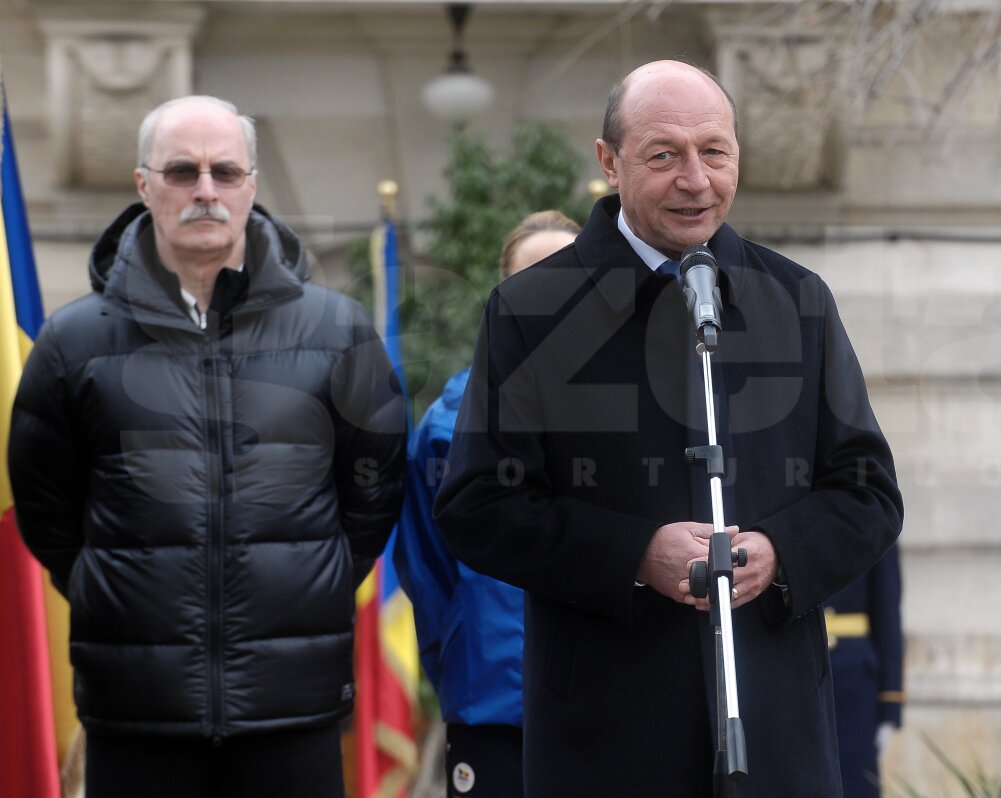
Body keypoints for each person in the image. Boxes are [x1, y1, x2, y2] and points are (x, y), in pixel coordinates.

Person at [433, 60, 903, 797]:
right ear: (609, 163)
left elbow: (868, 494)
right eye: (664, 155)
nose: (695, 179)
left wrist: (781, 552)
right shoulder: (532, 311)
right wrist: (634, 552)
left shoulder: (798, 300)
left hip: (777, 726)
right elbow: (477, 505)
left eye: (714, 152)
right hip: (606, 736)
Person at [7, 95, 407, 798]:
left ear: (252, 184)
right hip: (136, 714)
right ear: (143, 184)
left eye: (225, 171)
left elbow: (370, 492)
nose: (205, 191)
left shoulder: (337, 331)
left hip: (294, 708)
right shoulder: (75, 343)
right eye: (182, 171)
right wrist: (111, 587)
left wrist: (307, 584)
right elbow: (47, 507)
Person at [395, 210, 580, 798]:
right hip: (492, 698)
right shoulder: (449, 423)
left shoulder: (643, 416)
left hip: (614, 703)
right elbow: (424, 564)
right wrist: (457, 649)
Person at [827, 544, 904, 798]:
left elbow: (887, 612)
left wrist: (889, 702)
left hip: (853, 680)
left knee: (855, 783)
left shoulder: (869, 508)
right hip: (793, 674)